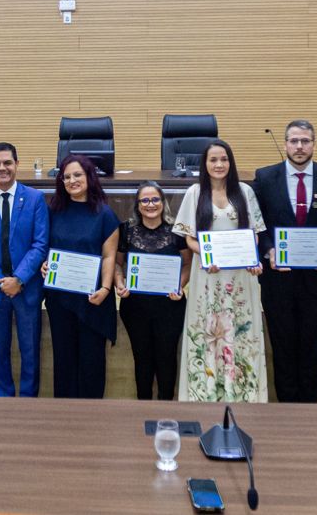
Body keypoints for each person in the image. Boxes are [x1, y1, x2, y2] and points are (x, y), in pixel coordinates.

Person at [253, 120, 317, 403]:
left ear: (314, 145)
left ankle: (310, 410)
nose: (299, 146)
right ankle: (287, 411)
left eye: (305, 141)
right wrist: (268, 250)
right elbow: (256, 222)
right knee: (282, 349)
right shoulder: (265, 177)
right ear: (285, 144)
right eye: (294, 141)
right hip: (278, 279)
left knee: (312, 349)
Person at [173, 140, 268, 402]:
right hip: (208, 275)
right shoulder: (195, 192)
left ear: (231, 162)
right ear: (204, 164)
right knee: (207, 334)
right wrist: (207, 256)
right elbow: (189, 238)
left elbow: (254, 234)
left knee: (240, 332)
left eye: (224, 159)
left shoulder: (245, 191)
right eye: (213, 160)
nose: (219, 164)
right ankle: (204, 395)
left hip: (240, 278)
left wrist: (251, 258)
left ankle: (243, 395)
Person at [0, 142, 50, 397]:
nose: (2, 168)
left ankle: (28, 402)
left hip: (27, 288)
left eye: (7, 163)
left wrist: (19, 279)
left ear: (17, 164)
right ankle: (3, 401)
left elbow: (40, 244)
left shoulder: (35, 199)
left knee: (30, 351)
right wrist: (2, 281)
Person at [43, 155, 120, 399]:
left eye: (77, 175)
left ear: (89, 177)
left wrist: (105, 289)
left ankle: (91, 414)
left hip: (93, 299)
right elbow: (46, 247)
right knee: (63, 360)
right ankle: (64, 414)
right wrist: (45, 265)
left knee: (91, 362)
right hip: (60, 298)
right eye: (66, 177)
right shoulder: (53, 211)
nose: (71, 180)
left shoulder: (104, 214)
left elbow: (109, 256)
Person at [113, 182, 190, 400]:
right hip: (135, 306)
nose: (150, 204)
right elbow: (117, 263)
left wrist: (179, 285)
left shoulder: (177, 231)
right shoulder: (126, 230)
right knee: (142, 359)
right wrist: (119, 282)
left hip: (170, 306)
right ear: (137, 205)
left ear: (163, 202)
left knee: (167, 359)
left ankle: (166, 409)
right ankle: (143, 407)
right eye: (144, 200)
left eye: (155, 199)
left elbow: (187, 264)